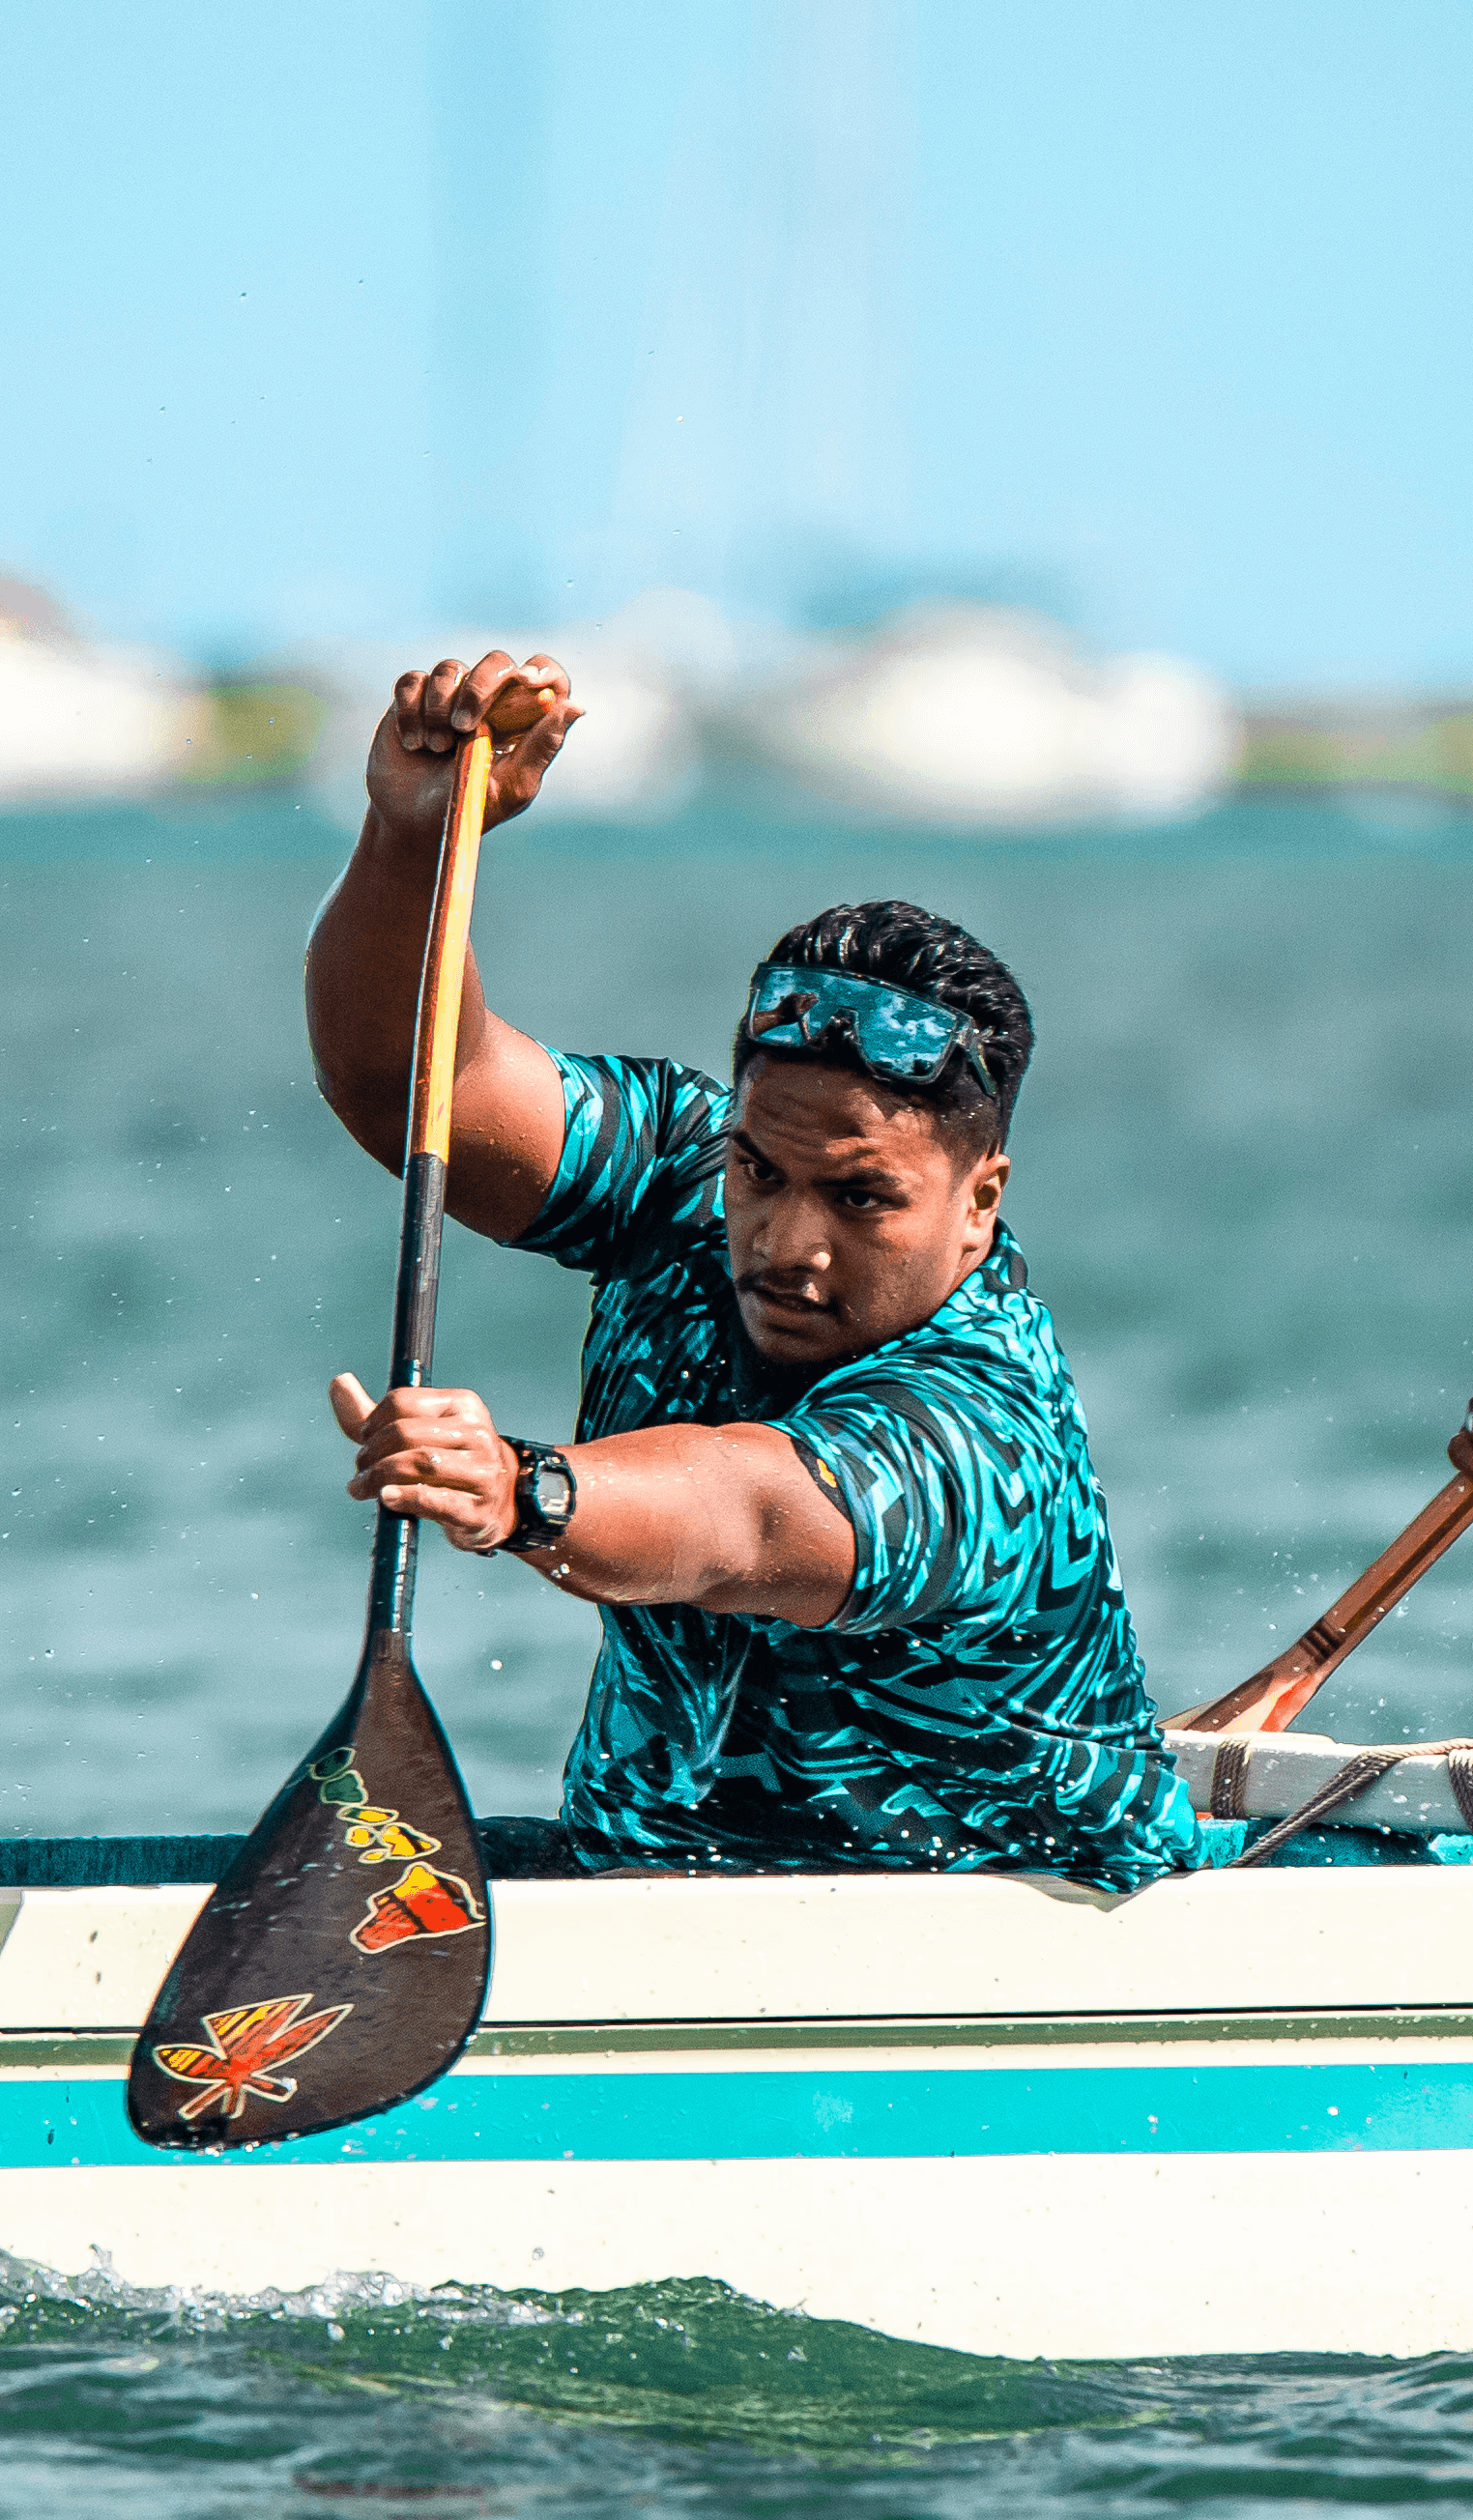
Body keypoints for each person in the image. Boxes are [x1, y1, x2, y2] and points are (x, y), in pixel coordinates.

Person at [306, 647, 1203, 1892]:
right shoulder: (688, 1170)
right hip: (655, 1887)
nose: (785, 1243)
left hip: (999, 1942)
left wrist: (522, 1491)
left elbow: (745, 1517)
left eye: (863, 1199)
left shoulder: (985, 1429)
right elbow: (409, 1087)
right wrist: (415, 839)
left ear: (978, 1202)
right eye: (762, 1175)